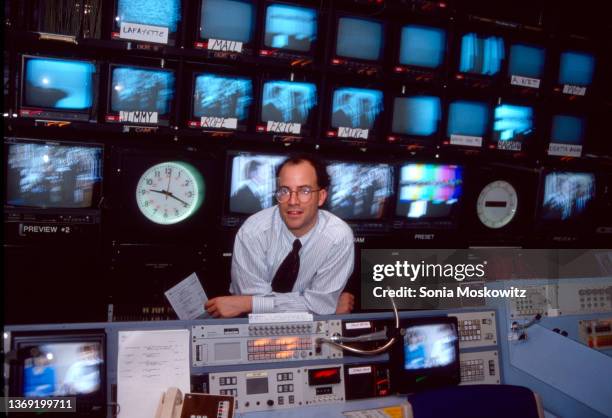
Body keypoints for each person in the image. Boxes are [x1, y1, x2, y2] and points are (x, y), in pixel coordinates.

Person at [206, 154, 356, 318]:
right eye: (284, 191)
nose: (292, 201)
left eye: (304, 191)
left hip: (307, 327)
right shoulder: (253, 231)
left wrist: (249, 303)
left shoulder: (338, 237)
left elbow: (318, 306)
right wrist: (325, 305)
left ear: (321, 197)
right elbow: (319, 306)